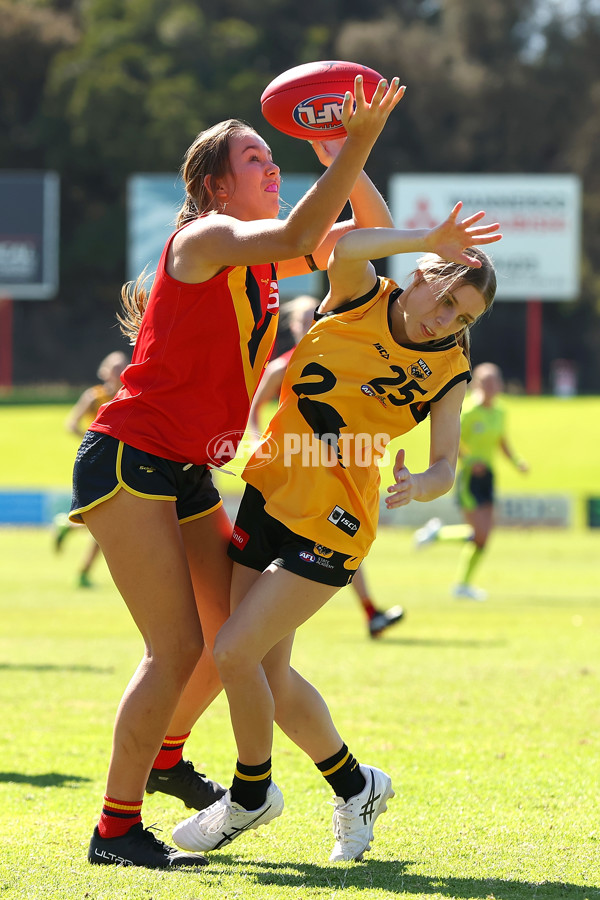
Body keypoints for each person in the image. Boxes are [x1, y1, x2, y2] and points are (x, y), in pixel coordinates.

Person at [68, 76, 406, 870]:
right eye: (256, 156)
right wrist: (353, 141)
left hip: (182, 470)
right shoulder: (205, 238)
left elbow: (370, 234)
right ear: (216, 185)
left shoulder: (259, 260)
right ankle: (114, 830)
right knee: (176, 646)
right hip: (129, 459)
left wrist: (344, 156)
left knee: (234, 645)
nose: (271, 165)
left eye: (272, 157)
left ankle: (165, 758)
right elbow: (301, 233)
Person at [172, 203, 501, 863]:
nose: (445, 323)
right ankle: (356, 786)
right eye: (443, 302)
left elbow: (444, 466)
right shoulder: (359, 294)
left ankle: (251, 793)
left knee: (232, 653)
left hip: (337, 522)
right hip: (270, 493)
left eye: (461, 318)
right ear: (417, 278)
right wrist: (426, 236)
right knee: (270, 673)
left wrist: (419, 488)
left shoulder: (448, 372)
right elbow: (348, 245)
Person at [249, 294, 404, 638]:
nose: (310, 322)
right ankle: (257, 619)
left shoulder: (346, 361)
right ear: (292, 326)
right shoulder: (281, 366)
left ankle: (370, 613)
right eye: (303, 319)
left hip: (331, 473)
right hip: (288, 473)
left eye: (316, 316)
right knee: (281, 546)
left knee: (340, 543)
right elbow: (253, 411)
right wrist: (262, 443)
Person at [414, 361, 528, 600]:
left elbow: (502, 441)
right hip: (469, 478)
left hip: (488, 477)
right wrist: (469, 460)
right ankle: (461, 583)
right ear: (477, 384)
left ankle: (441, 539)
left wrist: (517, 461)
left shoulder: (500, 412)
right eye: (486, 382)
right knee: (480, 533)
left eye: (494, 382)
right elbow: (452, 441)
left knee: (484, 535)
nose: (491, 387)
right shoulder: (467, 412)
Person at [53, 351, 129, 587]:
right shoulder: (94, 396)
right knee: (107, 520)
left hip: (122, 464)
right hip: (97, 464)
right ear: (105, 371)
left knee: (110, 521)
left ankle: (69, 532)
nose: (118, 371)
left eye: (123, 367)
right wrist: (90, 443)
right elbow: (71, 424)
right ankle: (84, 570)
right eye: (114, 367)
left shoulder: (129, 395)